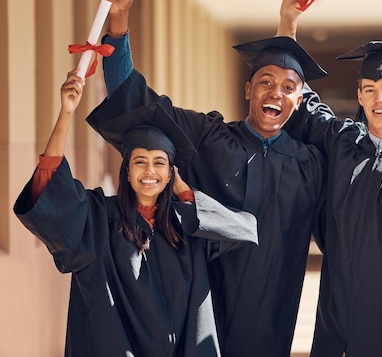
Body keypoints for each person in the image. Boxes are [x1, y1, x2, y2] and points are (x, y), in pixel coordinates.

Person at [87, 0, 327, 357]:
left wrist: (288, 24)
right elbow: (134, 100)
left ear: (299, 101)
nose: (275, 93)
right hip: (201, 304)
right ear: (248, 89)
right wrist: (118, 22)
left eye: (288, 88)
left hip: (273, 316)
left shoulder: (310, 165)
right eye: (265, 82)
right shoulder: (208, 137)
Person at [14, 70, 259, 357]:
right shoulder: (99, 219)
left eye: (160, 163)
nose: (150, 171)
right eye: (140, 162)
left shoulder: (187, 224)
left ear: (171, 173)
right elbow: (48, 187)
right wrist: (66, 113)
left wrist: (185, 195)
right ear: (127, 171)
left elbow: (244, 230)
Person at [278, 0, 382, 356]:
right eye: (369, 89)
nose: (380, 99)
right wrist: (288, 22)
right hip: (334, 319)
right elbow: (299, 99)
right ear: (360, 95)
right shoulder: (342, 142)